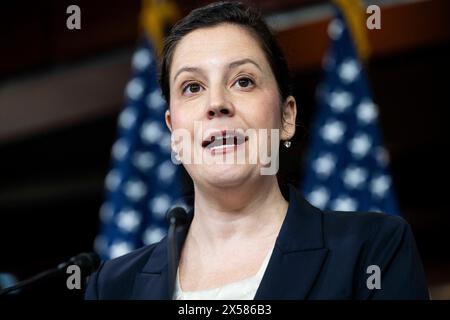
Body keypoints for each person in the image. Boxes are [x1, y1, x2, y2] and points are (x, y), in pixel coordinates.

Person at [85, 1, 429, 300]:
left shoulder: (372, 249)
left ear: (286, 118)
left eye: (243, 81)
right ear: (173, 130)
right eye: (192, 87)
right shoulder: (114, 287)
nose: (217, 103)